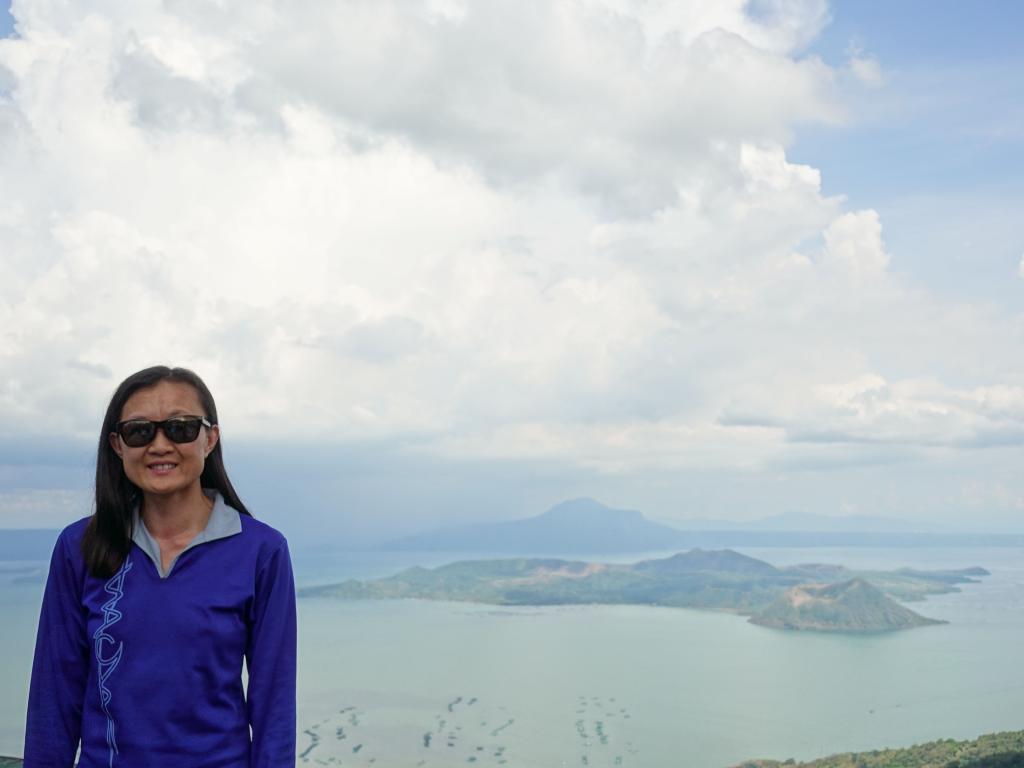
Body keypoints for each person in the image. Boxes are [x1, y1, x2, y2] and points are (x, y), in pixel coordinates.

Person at [24, 366, 296, 768]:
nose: (160, 444)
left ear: (210, 439)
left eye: (181, 428)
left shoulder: (261, 550)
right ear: (118, 445)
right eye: (139, 431)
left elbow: (274, 705)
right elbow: (54, 694)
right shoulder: (80, 546)